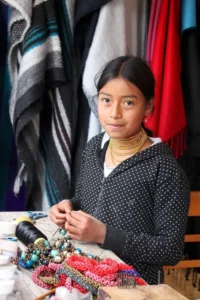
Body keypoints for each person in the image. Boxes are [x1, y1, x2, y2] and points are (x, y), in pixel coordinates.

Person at [50, 56, 190, 284]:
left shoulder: (164, 169)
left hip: (132, 286)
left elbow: (170, 250)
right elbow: (85, 199)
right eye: (106, 100)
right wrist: (69, 207)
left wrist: (103, 235)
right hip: (81, 274)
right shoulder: (95, 147)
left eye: (128, 103)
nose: (114, 113)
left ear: (148, 107)